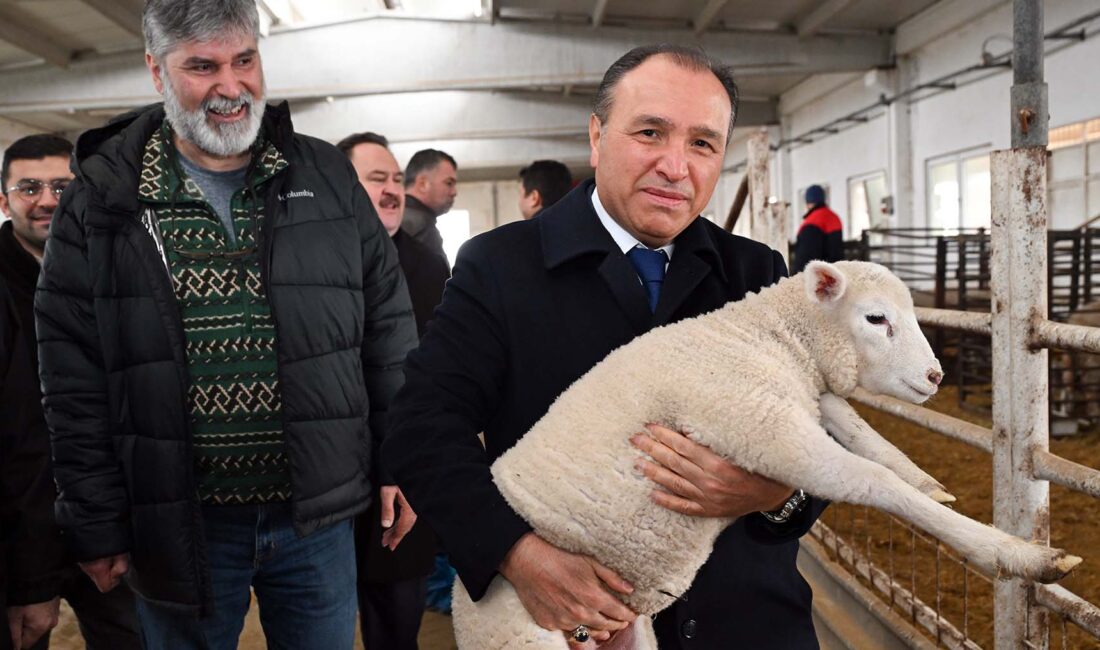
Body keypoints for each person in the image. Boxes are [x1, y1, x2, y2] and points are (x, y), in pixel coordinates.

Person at [384, 44, 826, 649]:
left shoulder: (757, 273)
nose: (676, 166)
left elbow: (819, 440)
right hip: (575, 624)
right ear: (597, 137)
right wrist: (517, 554)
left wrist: (779, 494)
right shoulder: (502, 265)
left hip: (748, 620)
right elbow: (422, 424)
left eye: (702, 143)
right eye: (650, 133)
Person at [33, 1, 418, 648]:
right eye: (202, 67)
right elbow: (72, 374)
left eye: (244, 61)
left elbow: (388, 330)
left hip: (316, 518)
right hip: (178, 524)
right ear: (156, 70)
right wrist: (94, 516)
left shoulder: (324, 175)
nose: (231, 86)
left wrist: (401, 458)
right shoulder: (103, 197)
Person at [1, 135, 141, 650]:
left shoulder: (120, 274)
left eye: (62, 187)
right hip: (16, 528)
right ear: (4, 201)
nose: (46, 200)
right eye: (29, 187)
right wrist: (30, 577)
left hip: (108, 519)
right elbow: (18, 437)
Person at [338, 131, 449, 650]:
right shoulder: (314, 263)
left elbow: (442, 375)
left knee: (397, 621)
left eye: (397, 180)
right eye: (376, 178)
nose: (391, 190)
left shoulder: (427, 266)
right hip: (333, 475)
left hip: (405, 469)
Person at [401, 149, 457, 263]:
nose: (454, 192)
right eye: (449, 183)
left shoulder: (394, 220)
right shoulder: (421, 228)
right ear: (423, 184)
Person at [791, 184, 843, 274]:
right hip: (835, 273)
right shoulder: (834, 217)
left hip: (819, 276)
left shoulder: (812, 221)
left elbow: (805, 259)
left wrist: (795, 276)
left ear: (807, 203)